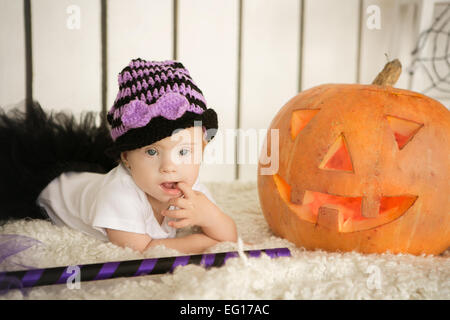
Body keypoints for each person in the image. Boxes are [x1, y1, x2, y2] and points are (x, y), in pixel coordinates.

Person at [0, 58, 237, 254]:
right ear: (126, 157)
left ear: (202, 150)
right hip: (46, 184)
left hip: (91, 179)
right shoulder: (118, 194)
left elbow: (229, 236)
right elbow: (143, 250)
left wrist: (211, 215)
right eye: (151, 151)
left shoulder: (192, 189)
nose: (169, 167)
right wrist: (208, 242)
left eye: (184, 152)